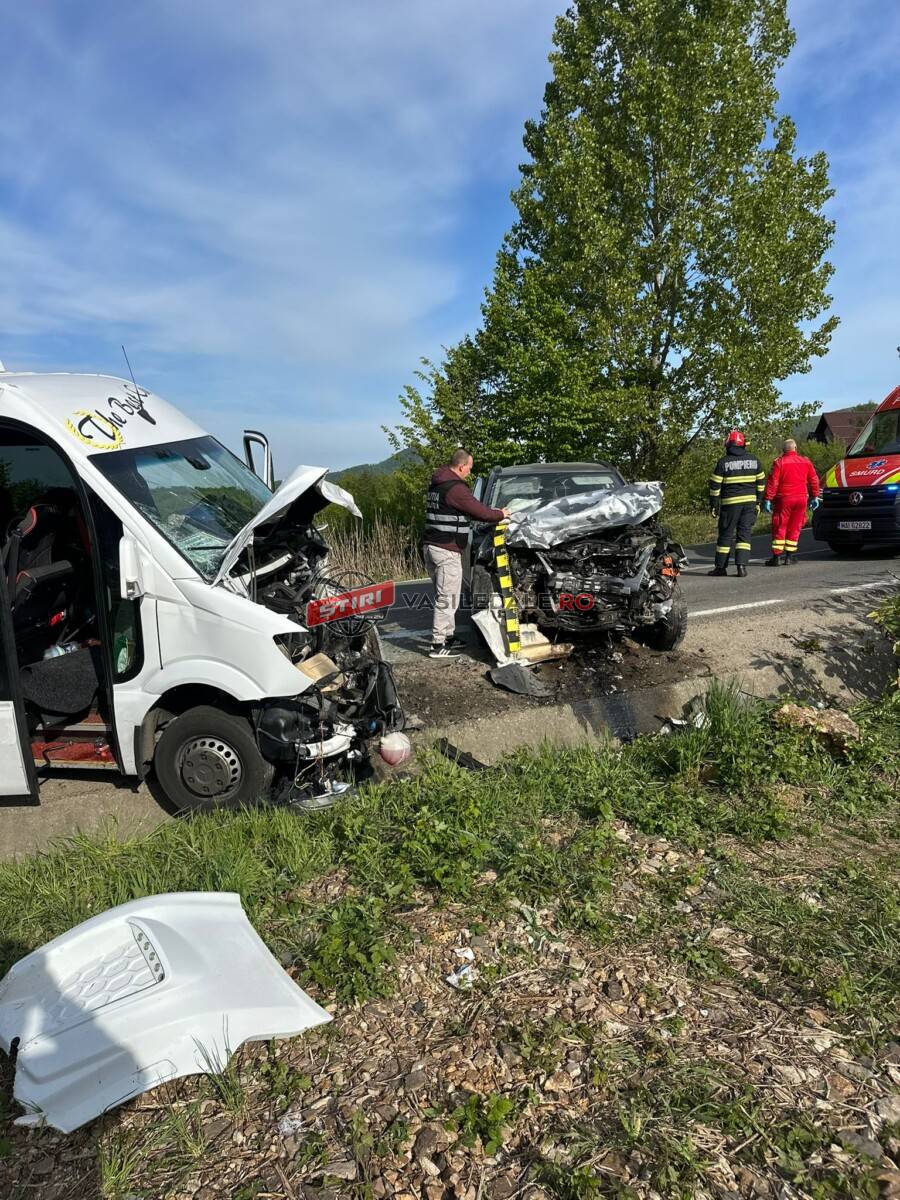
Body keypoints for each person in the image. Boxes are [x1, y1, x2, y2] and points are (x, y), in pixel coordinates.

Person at [424, 449, 510, 658]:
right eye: (469, 468)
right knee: (448, 598)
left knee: (447, 594)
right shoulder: (455, 489)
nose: (469, 472)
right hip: (446, 549)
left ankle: (448, 636)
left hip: (433, 546)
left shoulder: (438, 483)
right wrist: (501, 514)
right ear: (461, 466)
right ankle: (437, 645)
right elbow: (480, 511)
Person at [707, 430, 767, 577]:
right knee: (744, 535)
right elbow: (761, 483)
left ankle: (721, 568)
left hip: (730, 505)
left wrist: (714, 505)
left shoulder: (723, 462)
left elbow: (715, 486)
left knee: (726, 535)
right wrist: (758, 502)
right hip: (750, 504)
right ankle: (741, 567)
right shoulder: (754, 460)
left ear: (728, 444)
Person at [763, 438, 821, 565]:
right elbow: (814, 479)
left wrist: (768, 498)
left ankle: (777, 557)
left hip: (784, 499)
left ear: (783, 450)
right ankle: (789, 557)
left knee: (780, 526)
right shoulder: (805, 461)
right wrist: (815, 496)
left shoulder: (779, 462)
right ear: (795, 448)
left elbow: (773, 482)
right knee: (795, 527)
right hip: (801, 499)